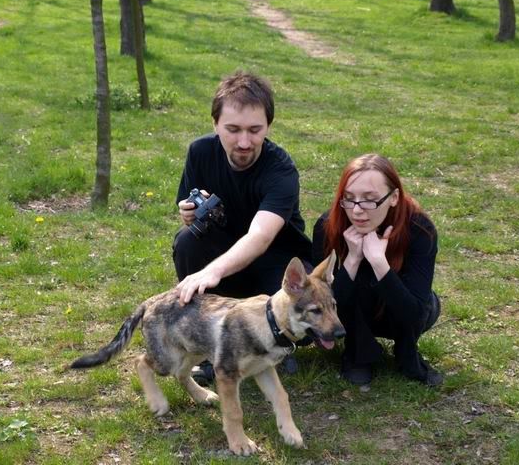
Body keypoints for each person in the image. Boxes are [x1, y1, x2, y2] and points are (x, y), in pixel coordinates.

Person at [173, 71, 313, 378]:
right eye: (233, 129)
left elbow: (260, 236)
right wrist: (188, 212)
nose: (244, 142)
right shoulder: (200, 152)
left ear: (269, 126)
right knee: (186, 241)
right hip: (225, 256)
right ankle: (209, 341)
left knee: (305, 323)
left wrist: (212, 271)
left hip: (276, 263)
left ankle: (277, 343)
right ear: (215, 124)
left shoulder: (281, 169)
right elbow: (188, 203)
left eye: (255, 130)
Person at [312, 154, 443, 387]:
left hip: (405, 313)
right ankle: (358, 354)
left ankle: (405, 352)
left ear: (393, 197)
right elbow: (322, 302)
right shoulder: (328, 225)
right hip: (350, 314)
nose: (357, 210)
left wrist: (379, 262)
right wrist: (352, 259)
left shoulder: (419, 229)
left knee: (421, 304)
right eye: (349, 198)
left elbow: (415, 313)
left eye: (369, 200)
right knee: (358, 277)